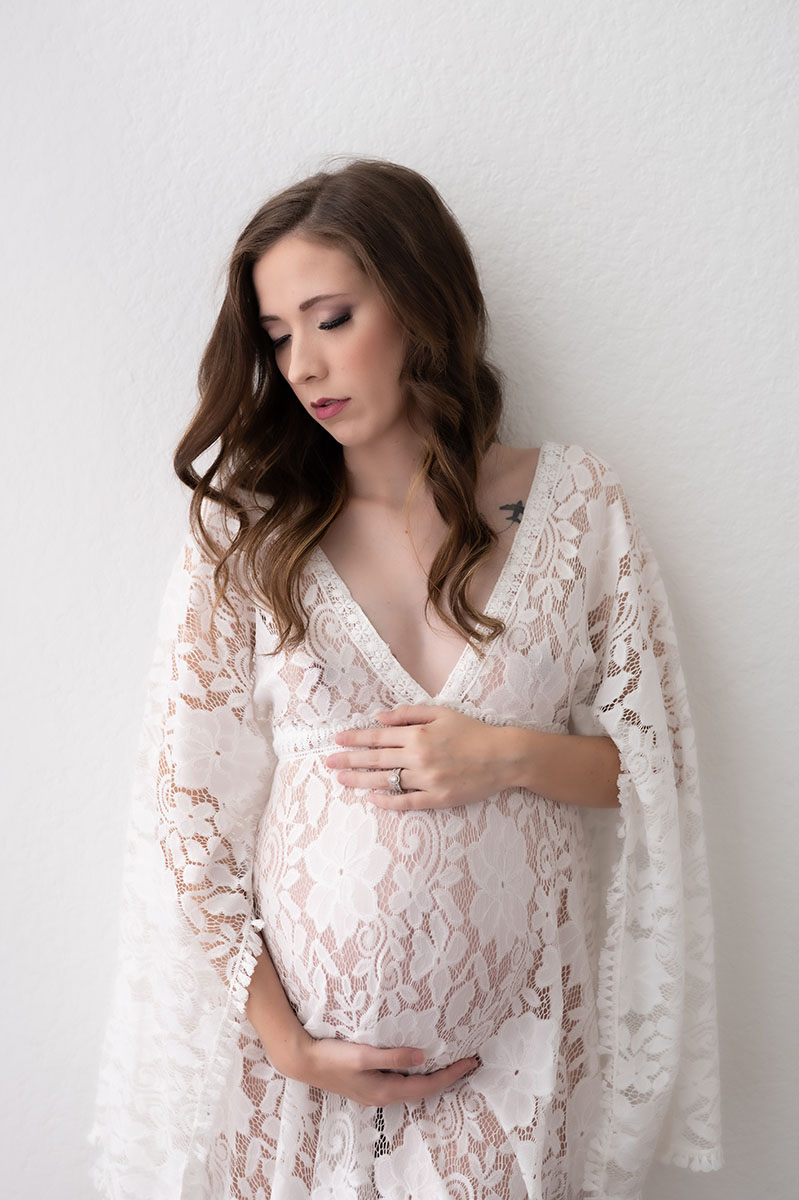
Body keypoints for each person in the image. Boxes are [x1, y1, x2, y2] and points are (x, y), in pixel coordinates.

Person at [90, 159, 722, 1199]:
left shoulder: (576, 506)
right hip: (301, 1089)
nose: (301, 363)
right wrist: (288, 1047)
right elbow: (186, 819)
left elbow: (650, 771)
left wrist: (505, 753)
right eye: (279, 333)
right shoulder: (246, 536)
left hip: (515, 1072)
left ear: (421, 302)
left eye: (331, 317)